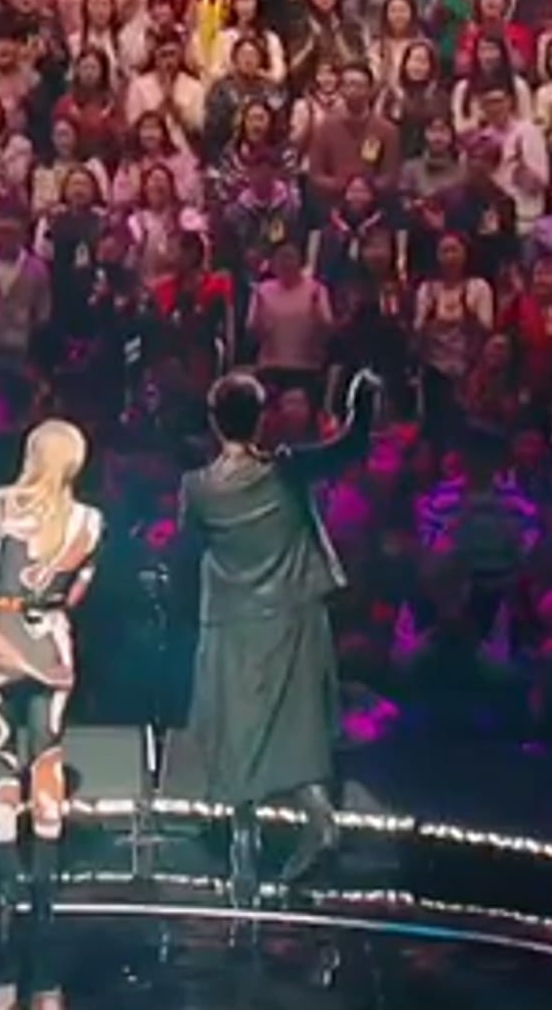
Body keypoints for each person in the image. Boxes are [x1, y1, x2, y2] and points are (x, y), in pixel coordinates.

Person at [176, 364, 381, 903]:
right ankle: (320, 819)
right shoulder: (286, 471)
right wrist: (362, 398)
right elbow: (350, 445)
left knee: (238, 727)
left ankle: (244, 840)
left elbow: (185, 548)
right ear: (262, 418)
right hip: (292, 616)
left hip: (231, 621)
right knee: (297, 724)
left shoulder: (196, 488)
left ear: (214, 421)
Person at [0, 417, 104, 928]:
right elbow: (78, 593)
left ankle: (6, 876)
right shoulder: (89, 521)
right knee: (48, 755)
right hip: (51, 646)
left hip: (0, 640)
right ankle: (45, 881)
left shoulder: (2, 506)